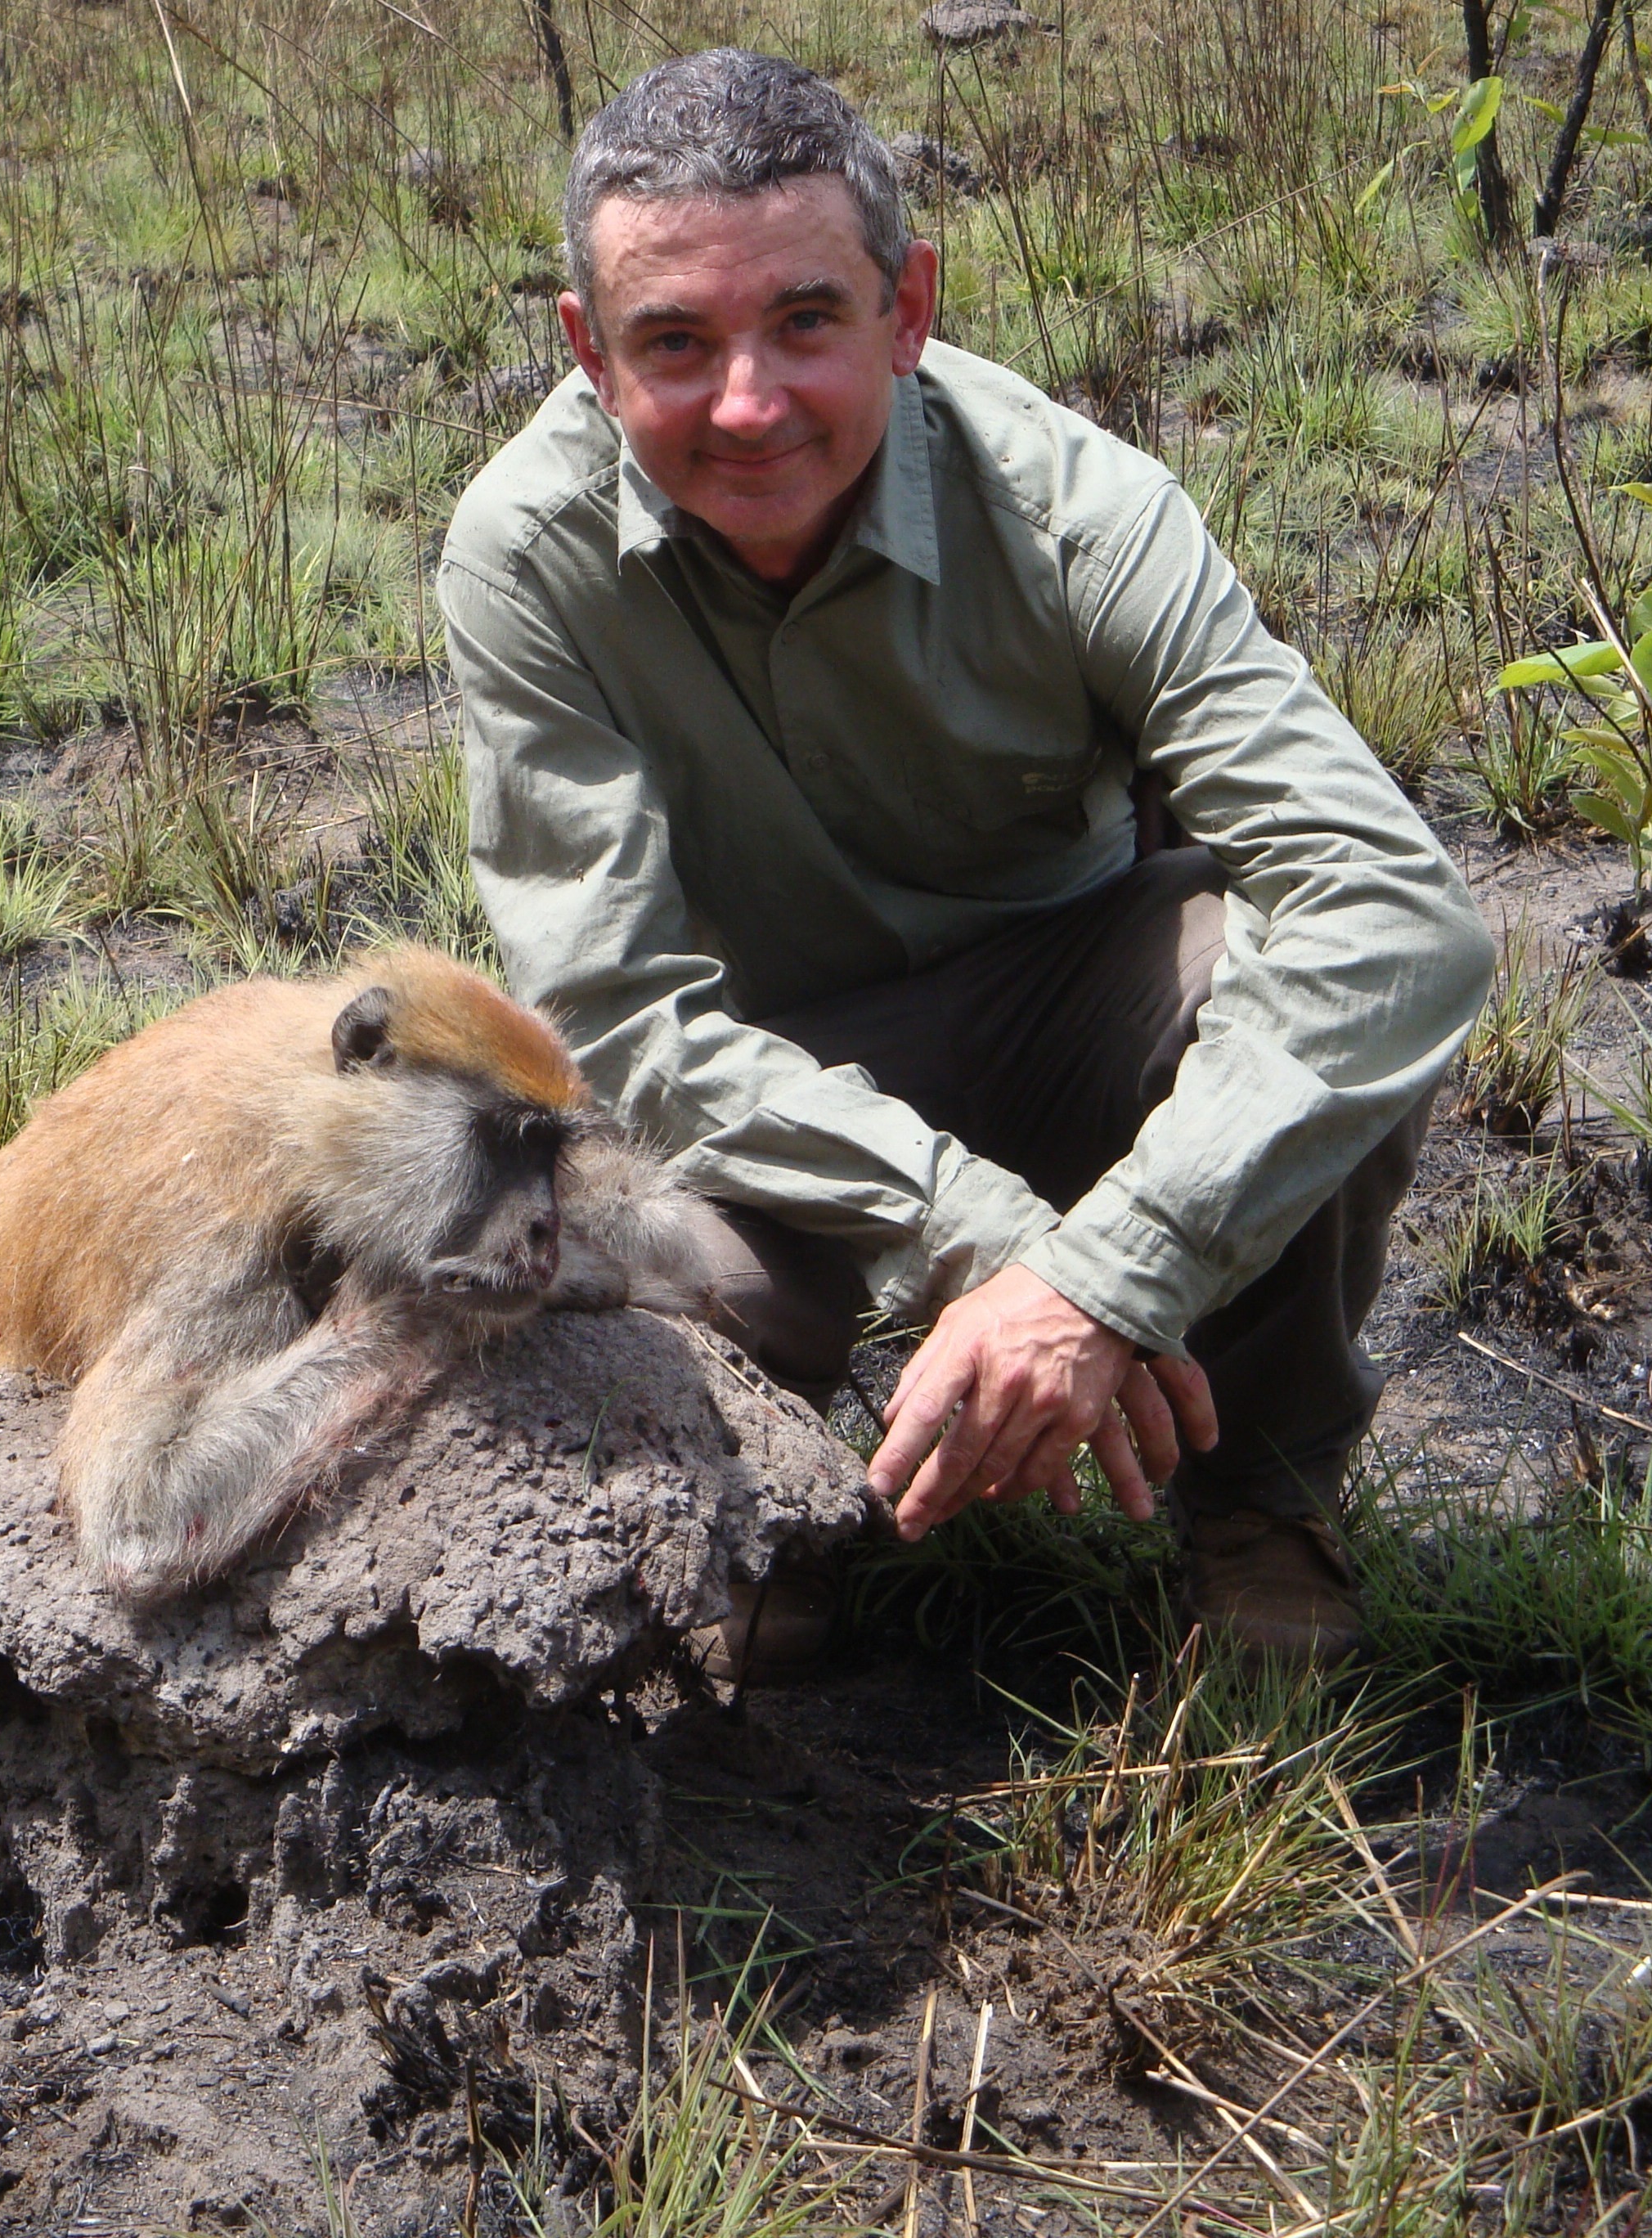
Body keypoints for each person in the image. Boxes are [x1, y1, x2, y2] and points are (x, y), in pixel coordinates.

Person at [438, 50, 1494, 1666]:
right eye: (674, 343)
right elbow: (628, 1018)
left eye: (805, 321)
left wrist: (1103, 1277)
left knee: (1289, 989)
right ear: (587, 351)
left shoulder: (1075, 503)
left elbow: (1401, 913)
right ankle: (767, 1506)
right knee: (585, 1233)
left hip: (1080, 1007)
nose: (748, 403)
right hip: (758, 1071)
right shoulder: (526, 552)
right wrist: (986, 1239)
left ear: (906, 308)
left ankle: (1261, 1511)